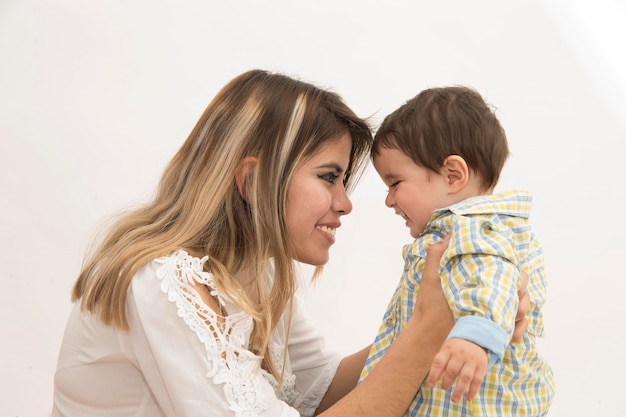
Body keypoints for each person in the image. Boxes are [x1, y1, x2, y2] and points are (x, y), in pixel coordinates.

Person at [52, 71, 528, 417]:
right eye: (329, 177)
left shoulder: (254, 272)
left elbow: (318, 392)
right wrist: (428, 332)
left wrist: (457, 313)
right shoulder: (161, 283)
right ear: (254, 180)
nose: (346, 203)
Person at [359, 86, 555, 416]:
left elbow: (494, 278)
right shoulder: (471, 229)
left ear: (452, 175)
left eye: (395, 184)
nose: (389, 200)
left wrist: (475, 338)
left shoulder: (472, 227)